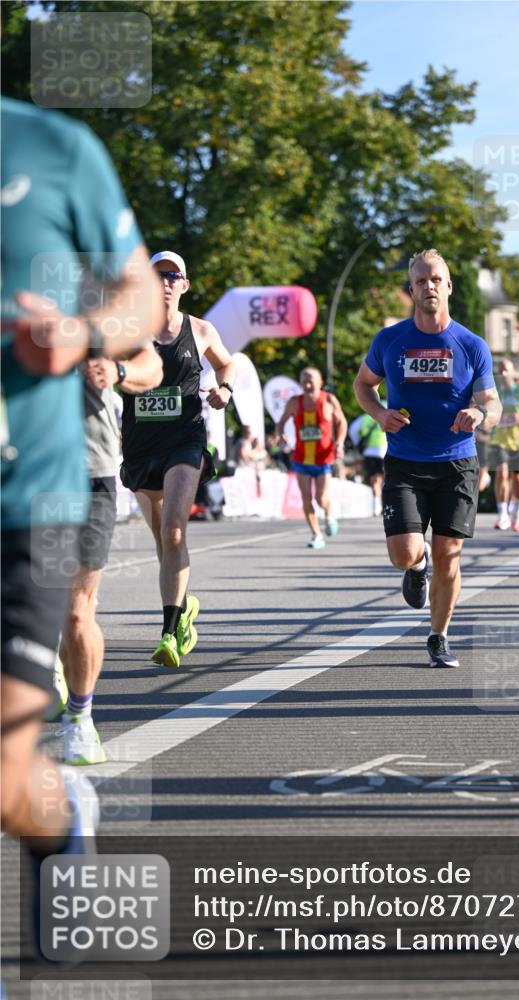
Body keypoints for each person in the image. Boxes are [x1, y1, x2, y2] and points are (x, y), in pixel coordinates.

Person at [1, 98, 163, 886]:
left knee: (6, 779)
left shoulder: (52, 147)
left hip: (34, 504)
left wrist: (79, 335)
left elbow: (143, 303)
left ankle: (61, 806)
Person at [353, 248, 501, 668]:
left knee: (449, 554)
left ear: (448, 286)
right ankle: (414, 569)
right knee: (404, 553)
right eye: (420, 281)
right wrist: (380, 413)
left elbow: (492, 400)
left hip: (457, 461)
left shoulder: (471, 345)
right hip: (405, 461)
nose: (429, 287)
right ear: (412, 289)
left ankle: (439, 636)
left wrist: (481, 412)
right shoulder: (390, 340)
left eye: (436, 279)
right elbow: (363, 385)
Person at [120, 251, 236, 668]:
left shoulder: (201, 330)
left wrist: (226, 390)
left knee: (173, 531)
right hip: (139, 446)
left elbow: (228, 364)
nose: (166, 281)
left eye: (174, 275)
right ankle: (184, 606)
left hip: (185, 441)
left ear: (184, 285)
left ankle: (169, 632)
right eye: (158, 276)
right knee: (162, 541)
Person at [57, 346, 163, 765]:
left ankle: (80, 718)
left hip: (86, 474)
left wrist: (119, 369)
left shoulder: (99, 306)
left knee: (77, 611)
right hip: (21, 473)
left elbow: (151, 366)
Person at [275, 367, 348, 548]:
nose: (307, 385)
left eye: (311, 381)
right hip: (301, 458)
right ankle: (316, 535)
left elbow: (342, 422)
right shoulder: (294, 402)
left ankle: (329, 515)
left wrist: (339, 442)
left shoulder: (329, 400)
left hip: (324, 458)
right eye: (304, 382)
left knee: (320, 498)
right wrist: (281, 436)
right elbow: (281, 423)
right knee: (306, 498)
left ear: (320, 382)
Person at [489, 359, 519, 532]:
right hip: (499, 439)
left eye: (506, 370)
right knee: (501, 474)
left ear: (513, 371)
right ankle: (502, 514)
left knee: (518, 478)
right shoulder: (494, 392)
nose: (503, 374)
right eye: (500, 370)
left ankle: (518, 509)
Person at [349, 411, 387, 516]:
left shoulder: (367, 416)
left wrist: (357, 443)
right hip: (386, 451)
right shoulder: (391, 409)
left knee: (375, 480)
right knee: (386, 480)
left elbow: (353, 430)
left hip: (370, 452)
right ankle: (387, 506)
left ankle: (376, 507)